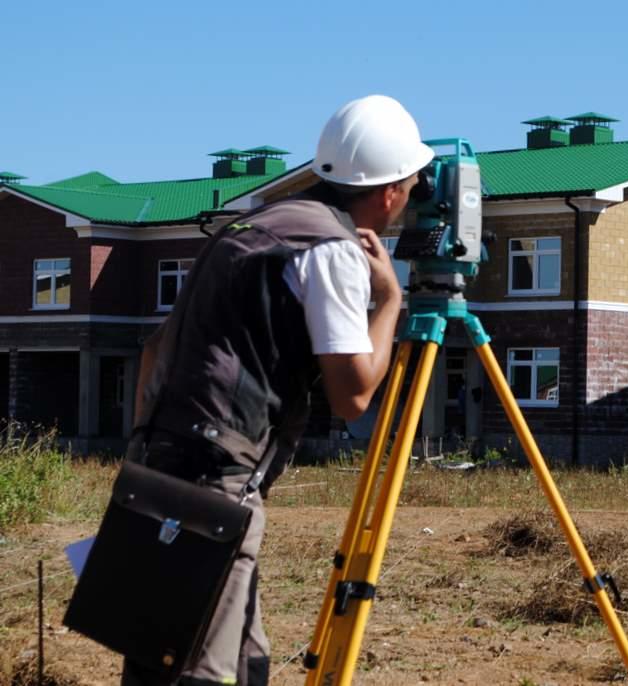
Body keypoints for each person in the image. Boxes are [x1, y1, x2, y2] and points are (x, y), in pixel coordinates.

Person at [122, 95, 434, 686]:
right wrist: (390, 301)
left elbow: (153, 351)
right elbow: (355, 398)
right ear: (390, 191)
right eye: (412, 187)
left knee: (214, 651)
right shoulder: (332, 252)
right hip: (216, 474)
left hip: (159, 459)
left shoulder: (246, 228)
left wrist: (148, 450)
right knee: (198, 671)